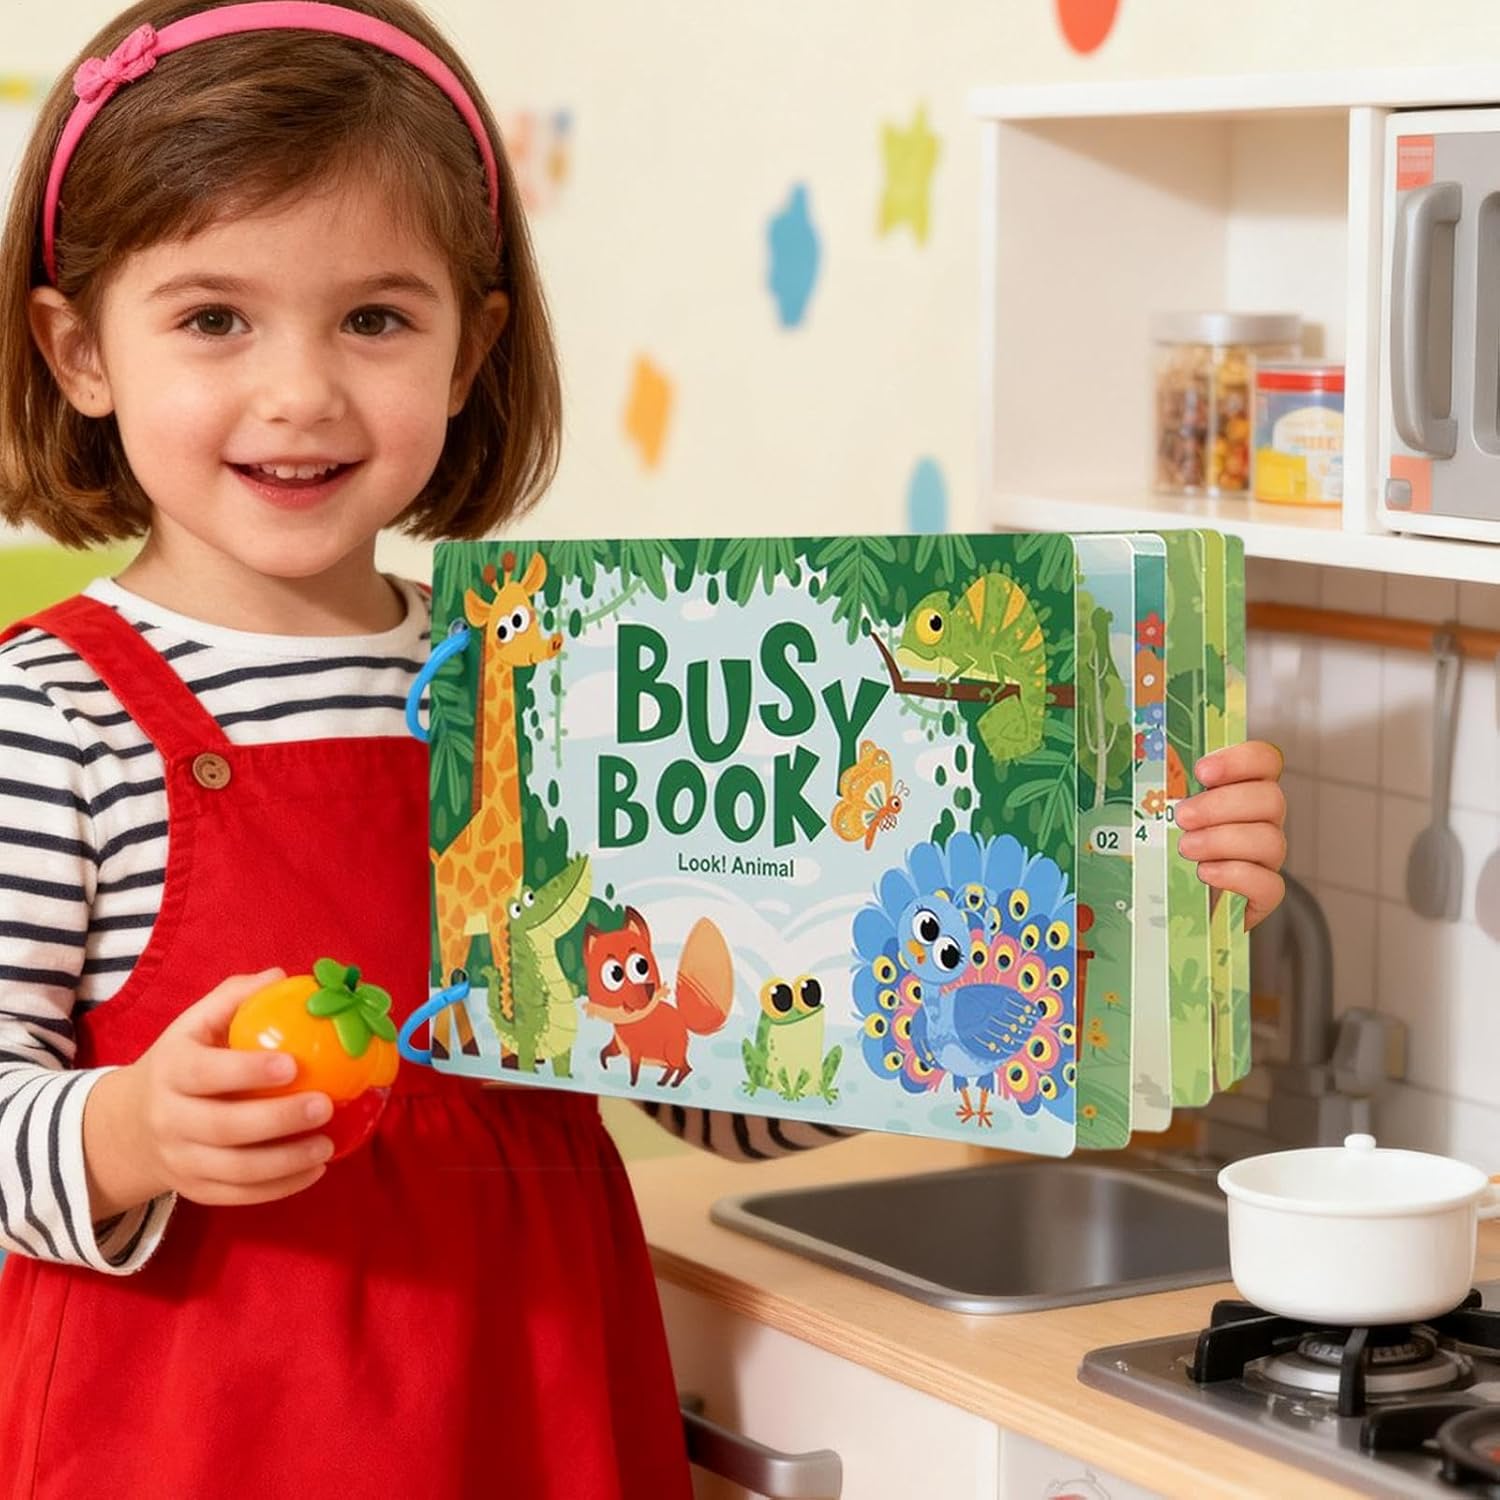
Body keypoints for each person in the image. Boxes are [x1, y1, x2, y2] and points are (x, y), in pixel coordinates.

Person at [0, 2, 1289, 1495]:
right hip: (188, 1442)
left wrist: (1126, 906)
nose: (302, 391)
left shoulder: (551, 682)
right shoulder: (52, 712)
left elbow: (703, 1085)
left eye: (376, 319)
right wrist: (127, 1134)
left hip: (535, 1414)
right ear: (79, 350)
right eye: (215, 319)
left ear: (472, 349)